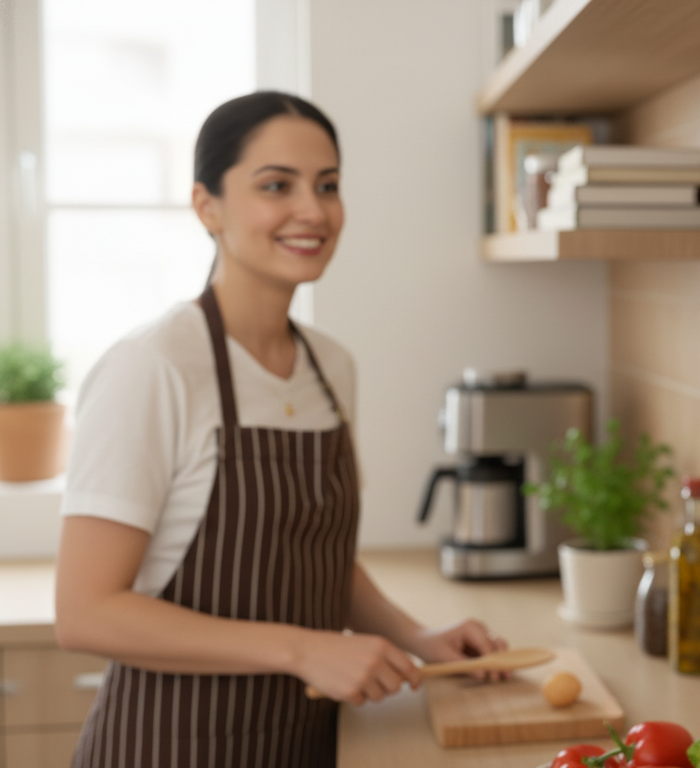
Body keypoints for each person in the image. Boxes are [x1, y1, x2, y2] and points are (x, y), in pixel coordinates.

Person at [54, 91, 508, 767]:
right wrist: (305, 649)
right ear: (207, 206)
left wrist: (418, 635)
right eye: (277, 186)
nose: (313, 211)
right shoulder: (153, 368)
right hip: (168, 747)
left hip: (298, 743)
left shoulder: (331, 366)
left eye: (328, 185)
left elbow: (309, 558)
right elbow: (86, 612)